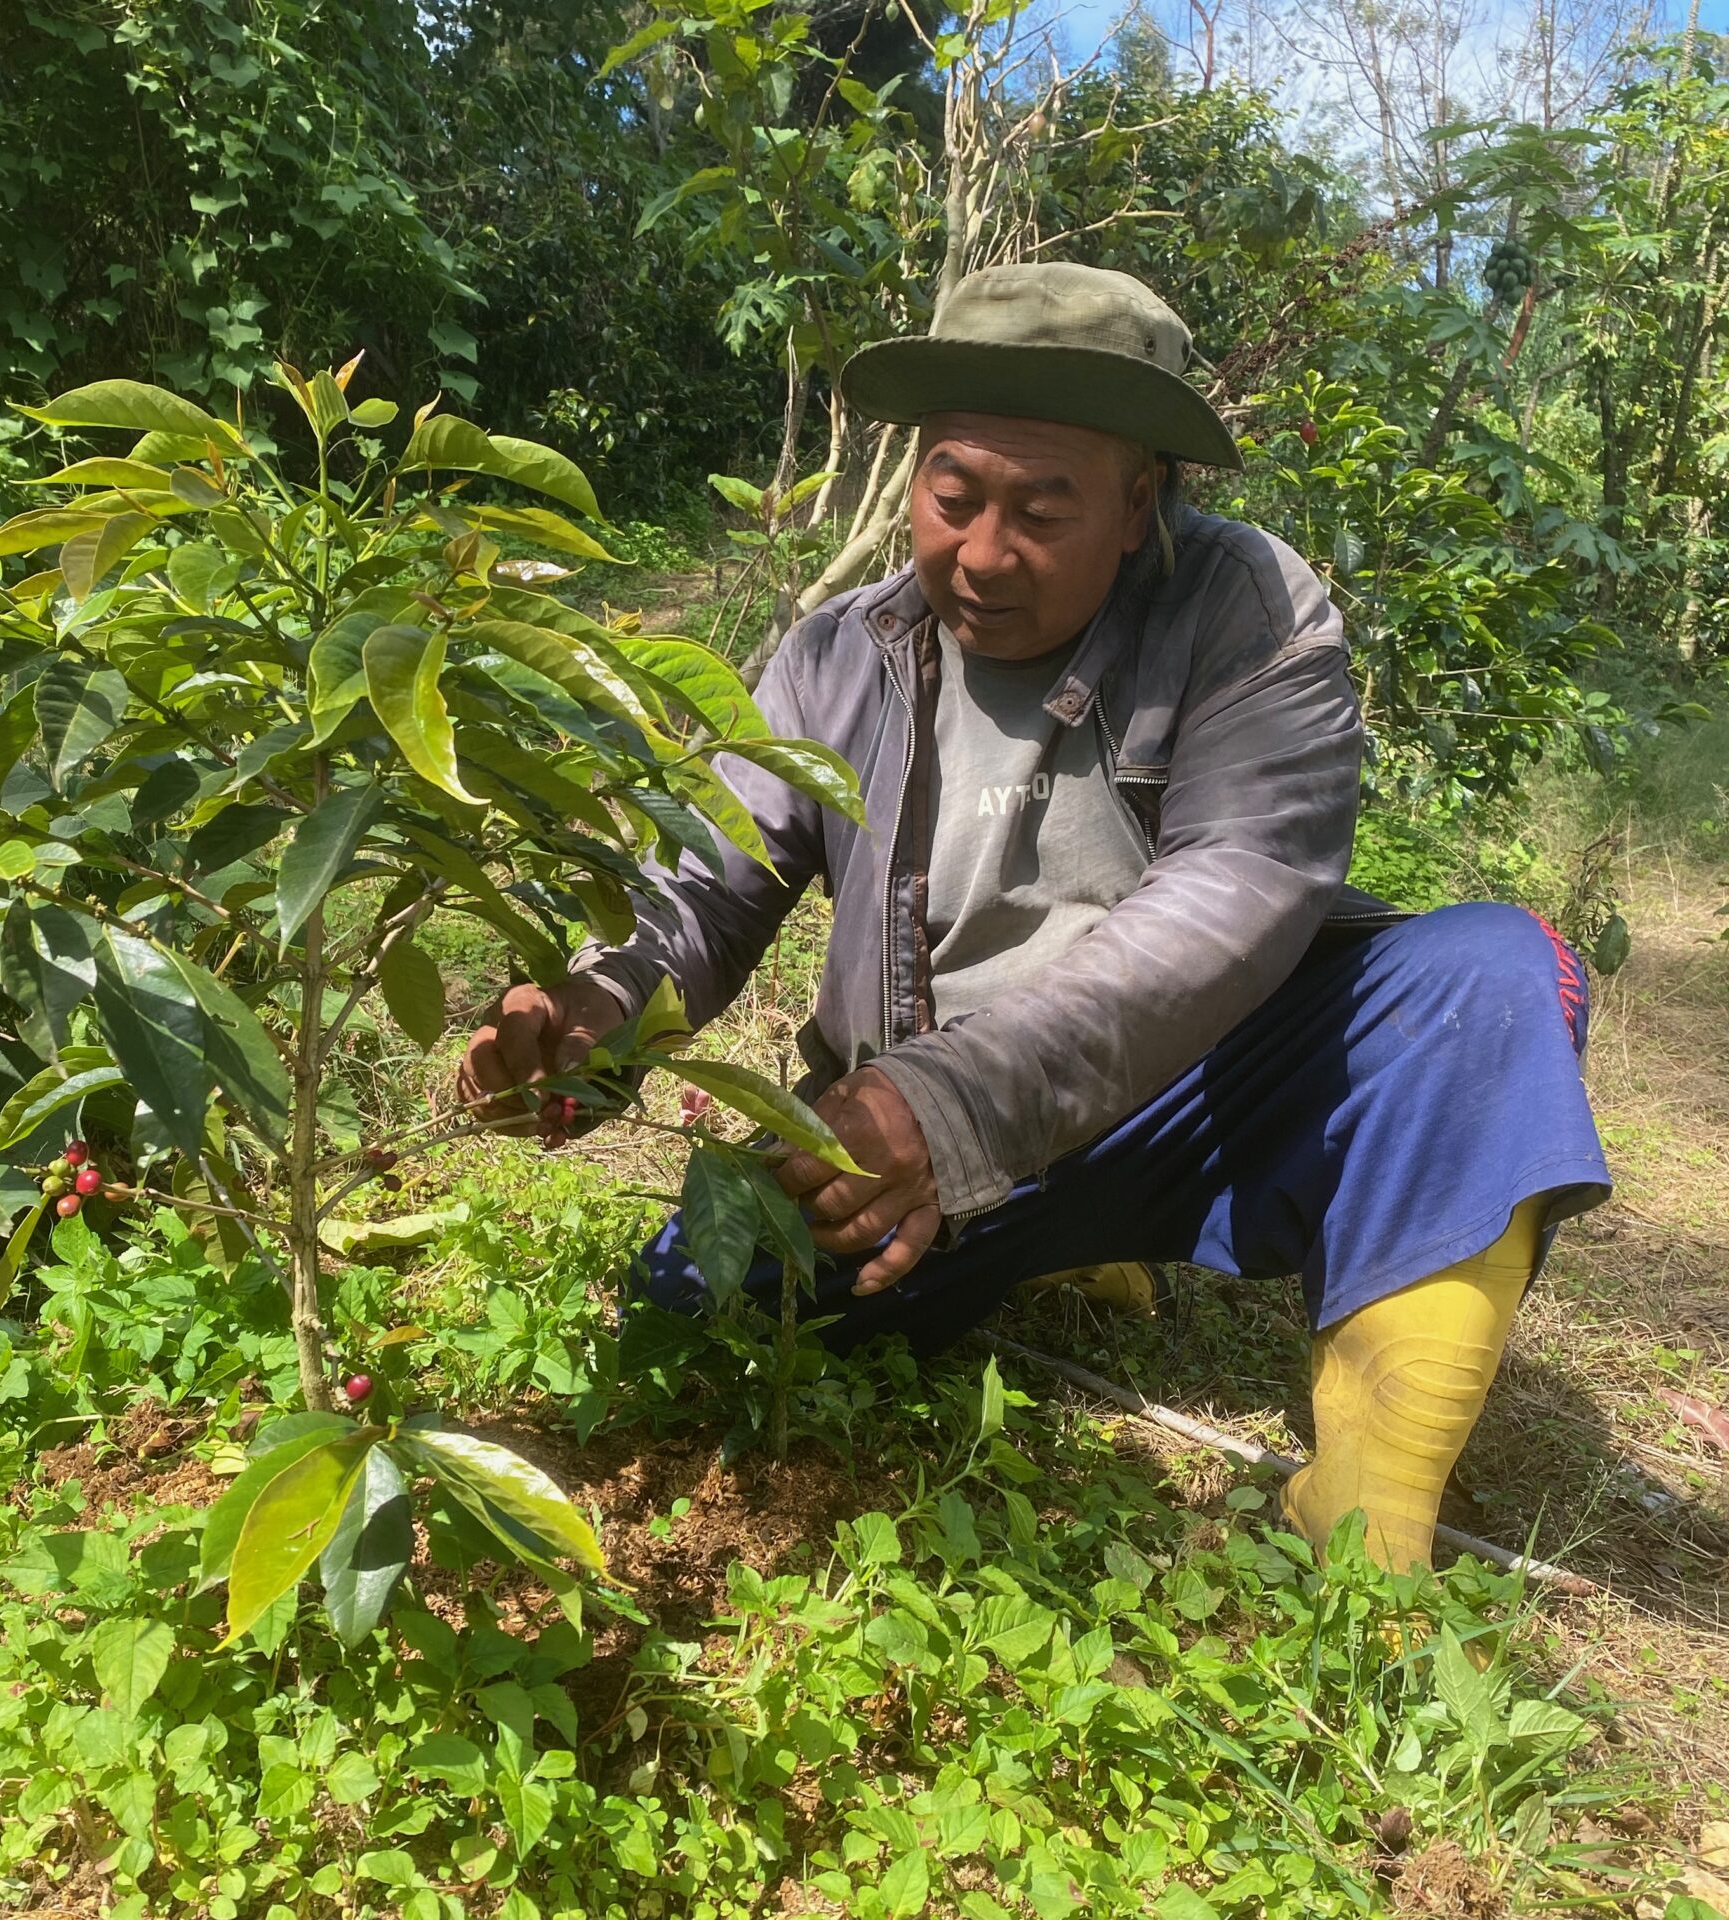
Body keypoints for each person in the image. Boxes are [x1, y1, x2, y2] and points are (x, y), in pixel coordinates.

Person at [455, 262, 1610, 1573]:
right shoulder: (841, 655)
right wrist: (593, 1013)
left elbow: (1242, 886)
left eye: (1042, 513)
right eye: (953, 499)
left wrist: (950, 1105)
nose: (983, 555)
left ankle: (1367, 1524)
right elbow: (711, 887)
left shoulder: (1245, 613)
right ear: (912, 483)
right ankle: (1055, 1251)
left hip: (1191, 1093)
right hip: (919, 1144)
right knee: (691, 1311)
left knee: (1487, 981)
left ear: (1139, 505)